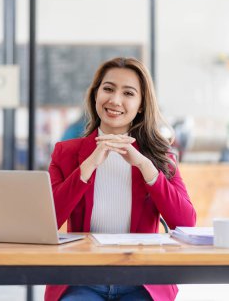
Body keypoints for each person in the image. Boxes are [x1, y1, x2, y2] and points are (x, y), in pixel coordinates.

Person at [45, 57, 196, 301]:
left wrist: (145, 167)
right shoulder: (66, 153)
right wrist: (89, 165)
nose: (115, 100)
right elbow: (49, 220)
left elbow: (185, 221)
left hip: (142, 280)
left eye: (128, 93)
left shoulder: (161, 157)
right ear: (96, 95)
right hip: (82, 278)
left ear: (140, 105)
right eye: (108, 89)